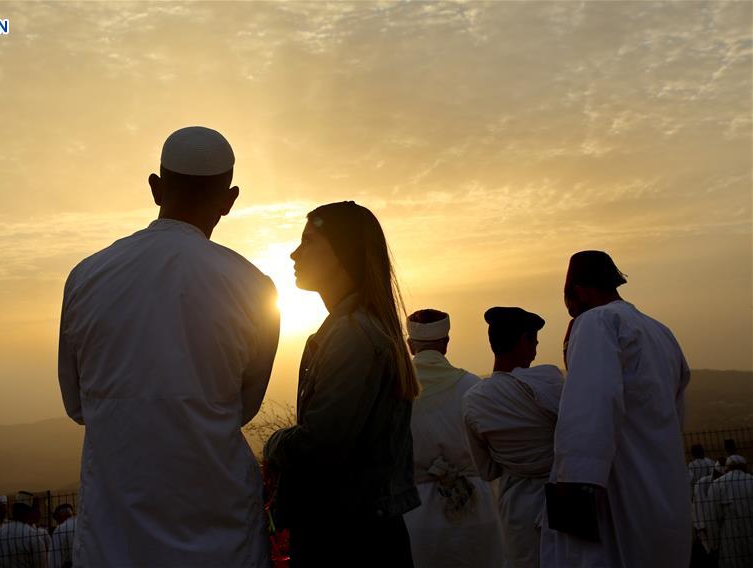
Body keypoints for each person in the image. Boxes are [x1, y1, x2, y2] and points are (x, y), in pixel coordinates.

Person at [58, 126, 280, 567]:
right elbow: (244, 406)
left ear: (155, 188)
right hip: (222, 532)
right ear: (229, 199)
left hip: (113, 535)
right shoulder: (255, 288)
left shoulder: (87, 276)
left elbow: (76, 403)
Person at [263, 201, 420, 567]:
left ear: (341, 252)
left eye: (309, 241)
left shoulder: (352, 335)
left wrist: (273, 445)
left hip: (347, 542)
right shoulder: (354, 328)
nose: (294, 252)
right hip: (364, 535)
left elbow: (322, 444)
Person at [548, 250, 692, 567]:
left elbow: (589, 412)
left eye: (568, 302)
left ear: (580, 292)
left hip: (618, 491)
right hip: (665, 488)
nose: (570, 312)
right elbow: (674, 414)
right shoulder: (660, 331)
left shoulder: (595, 322)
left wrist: (573, 488)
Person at [401, 308, 504, 568]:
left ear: (410, 346)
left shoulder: (395, 389)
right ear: (446, 343)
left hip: (416, 513)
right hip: (475, 507)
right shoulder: (472, 385)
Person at [462, 307, 564, 567]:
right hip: (566, 498)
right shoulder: (550, 381)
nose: (536, 351)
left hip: (518, 509)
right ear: (523, 341)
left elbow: (486, 470)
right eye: (534, 342)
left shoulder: (474, 401)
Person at [709, 455, 753, 567]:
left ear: (727, 468)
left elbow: (713, 518)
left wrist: (714, 544)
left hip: (730, 540)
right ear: (744, 467)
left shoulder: (717, 484)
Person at [0, 492, 48, 568]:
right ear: (29, 512)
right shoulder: (32, 535)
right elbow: (41, 564)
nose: (39, 512)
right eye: (36, 509)